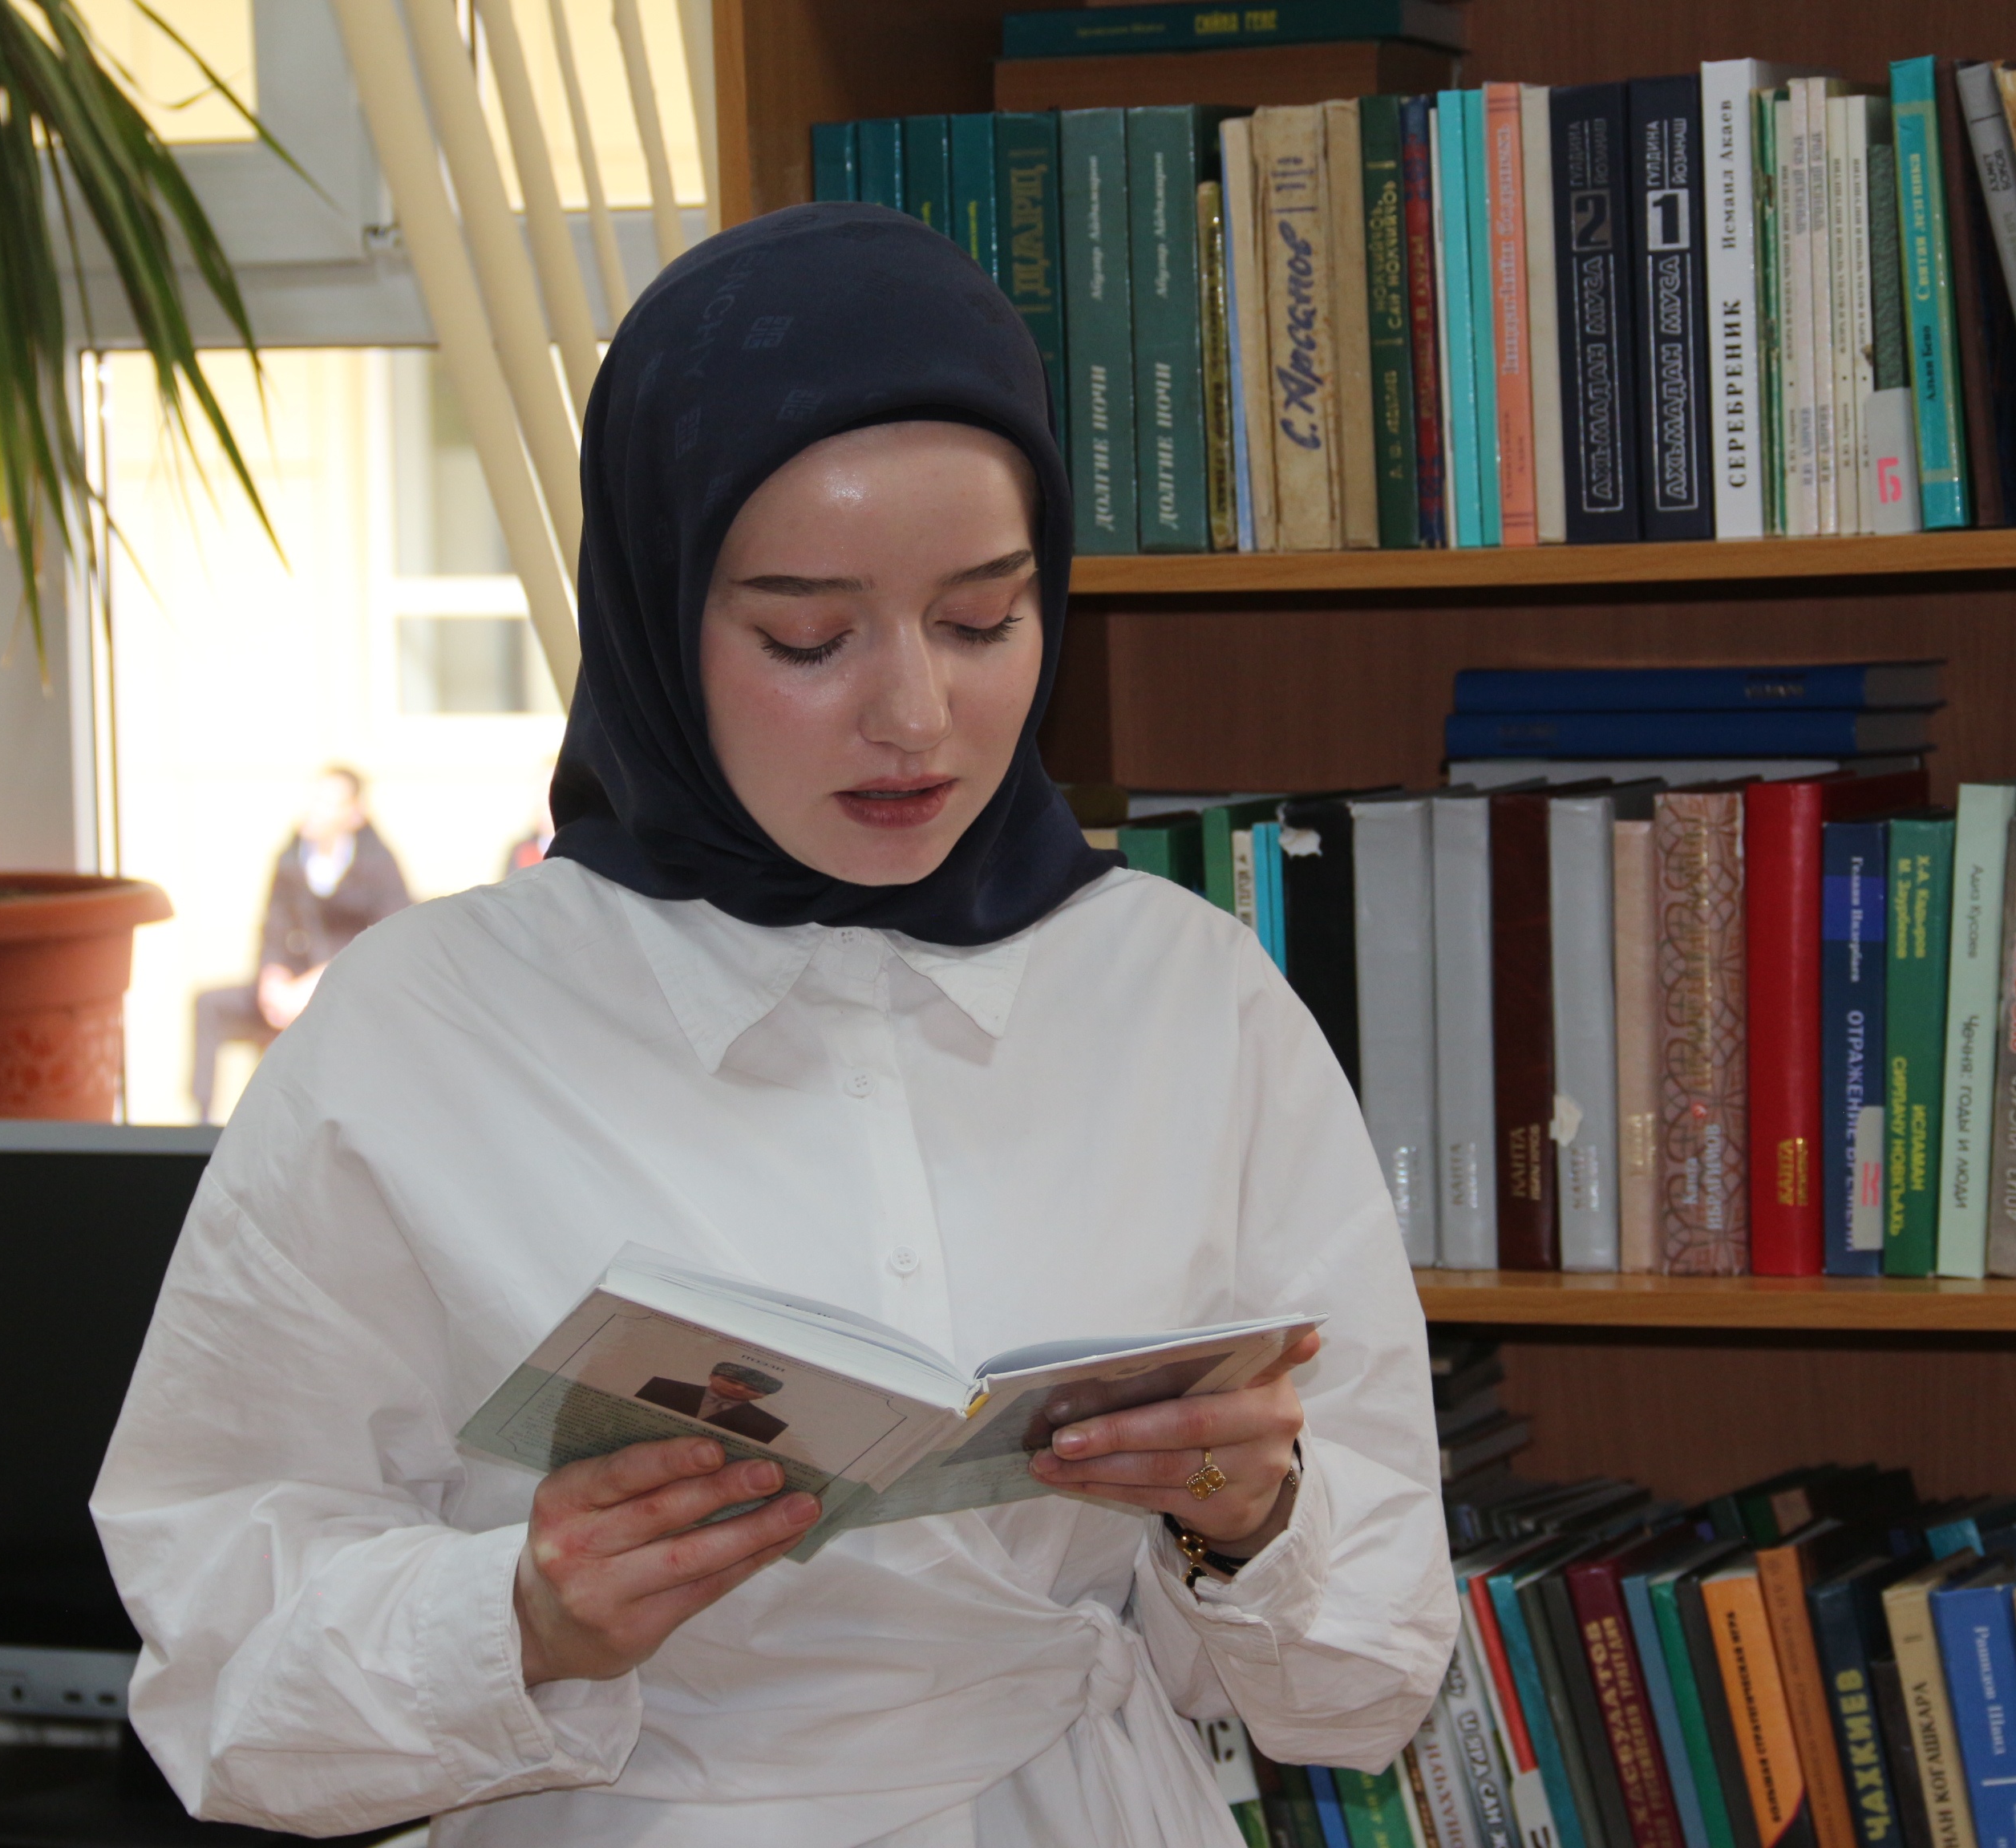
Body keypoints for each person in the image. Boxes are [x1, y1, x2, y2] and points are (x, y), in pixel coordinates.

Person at [94, 204, 1452, 1845]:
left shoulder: (1188, 995)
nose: (915, 714)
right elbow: (217, 1675)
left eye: (983, 619)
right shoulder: (421, 1030)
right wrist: (522, 1616)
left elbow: (1366, 1684)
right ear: (658, 617)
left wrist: (1250, 1514)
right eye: (808, 637)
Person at [186, 766, 411, 1121]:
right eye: (315, 799)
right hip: (288, 987)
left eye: (329, 802)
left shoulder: (377, 864)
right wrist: (271, 978)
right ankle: (201, 1119)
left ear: (354, 813)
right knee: (209, 1005)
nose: (316, 810)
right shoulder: (290, 859)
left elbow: (390, 937)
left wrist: (319, 983)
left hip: (346, 992)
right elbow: (271, 928)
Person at [634, 1363, 788, 1444]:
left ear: (763, 1396)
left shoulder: (770, 1426)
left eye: (752, 1389)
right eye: (731, 1381)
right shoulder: (661, 1387)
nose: (739, 1388)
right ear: (712, 1377)